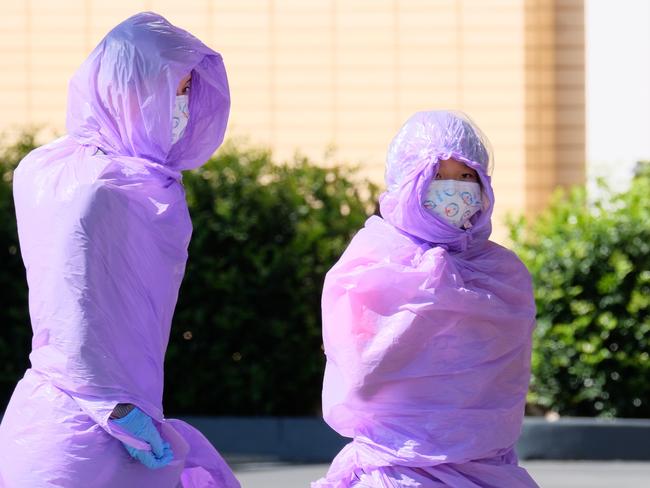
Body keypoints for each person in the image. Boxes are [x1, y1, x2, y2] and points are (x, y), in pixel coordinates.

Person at [0, 12, 239, 488]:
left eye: (190, 91)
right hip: (96, 432)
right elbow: (77, 315)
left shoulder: (46, 170)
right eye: (178, 88)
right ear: (134, 87)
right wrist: (112, 406)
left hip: (66, 423)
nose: (184, 105)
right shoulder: (106, 187)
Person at [313, 111, 540, 487]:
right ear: (408, 182)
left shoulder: (503, 272)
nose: (453, 188)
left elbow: (507, 381)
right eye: (437, 175)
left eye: (466, 176)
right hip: (397, 469)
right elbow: (360, 373)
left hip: (487, 467)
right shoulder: (372, 261)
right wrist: (429, 295)